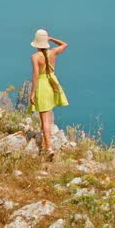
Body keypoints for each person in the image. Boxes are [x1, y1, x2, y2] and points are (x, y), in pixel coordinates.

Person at [29, 29, 69, 157]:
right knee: (46, 117)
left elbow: (36, 75)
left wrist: (32, 93)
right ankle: (45, 143)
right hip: (51, 85)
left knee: (45, 119)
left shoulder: (35, 57)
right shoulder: (53, 53)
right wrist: (51, 39)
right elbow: (64, 44)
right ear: (45, 42)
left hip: (41, 86)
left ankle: (49, 148)